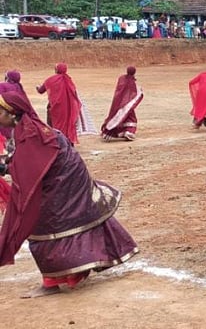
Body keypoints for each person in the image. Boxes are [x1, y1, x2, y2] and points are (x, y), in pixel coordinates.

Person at [0, 91, 138, 298]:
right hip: (62, 176)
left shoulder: (31, 134)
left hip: (62, 180)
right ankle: (70, 272)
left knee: (42, 222)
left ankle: (52, 282)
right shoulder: (26, 129)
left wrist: (6, 169)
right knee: (61, 219)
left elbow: (30, 168)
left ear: (12, 113)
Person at [36, 63, 84, 144]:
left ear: (56, 70)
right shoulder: (69, 81)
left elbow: (41, 90)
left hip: (55, 107)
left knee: (54, 124)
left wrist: (37, 87)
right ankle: (68, 141)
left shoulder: (50, 80)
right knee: (68, 124)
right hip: (69, 108)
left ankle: (55, 140)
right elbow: (74, 94)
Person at [101, 66, 143, 141]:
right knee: (131, 118)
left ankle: (120, 132)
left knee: (119, 117)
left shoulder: (122, 79)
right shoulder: (131, 82)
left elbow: (119, 90)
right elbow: (134, 93)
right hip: (127, 104)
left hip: (118, 102)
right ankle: (129, 132)